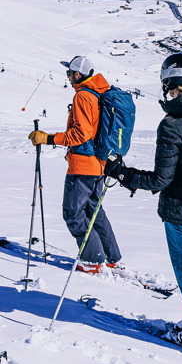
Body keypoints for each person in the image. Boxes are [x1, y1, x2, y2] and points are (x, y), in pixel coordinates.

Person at [106, 52, 182, 348]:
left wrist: (122, 173)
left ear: (169, 81)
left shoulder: (173, 123)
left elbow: (160, 180)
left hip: (181, 211)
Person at [27, 55, 121, 274]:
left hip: (82, 167)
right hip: (99, 164)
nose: (68, 76)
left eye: (69, 72)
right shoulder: (98, 93)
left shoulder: (83, 97)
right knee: (94, 210)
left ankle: (91, 261)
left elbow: (81, 134)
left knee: (72, 213)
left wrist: (48, 138)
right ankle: (111, 257)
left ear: (77, 74)